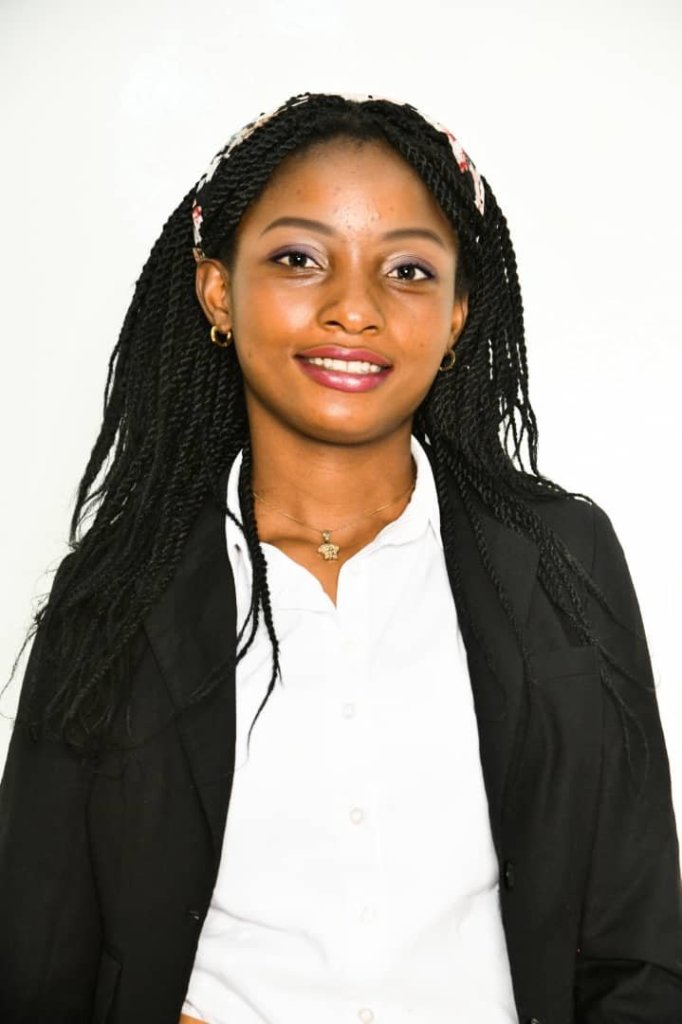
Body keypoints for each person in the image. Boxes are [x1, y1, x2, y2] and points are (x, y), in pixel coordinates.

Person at [0, 92, 680, 1024]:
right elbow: (36, 960)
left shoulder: (563, 561)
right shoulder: (116, 595)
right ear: (218, 292)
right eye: (298, 258)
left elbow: (639, 949)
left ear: (456, 315)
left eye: (407, 269)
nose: (354, 308)